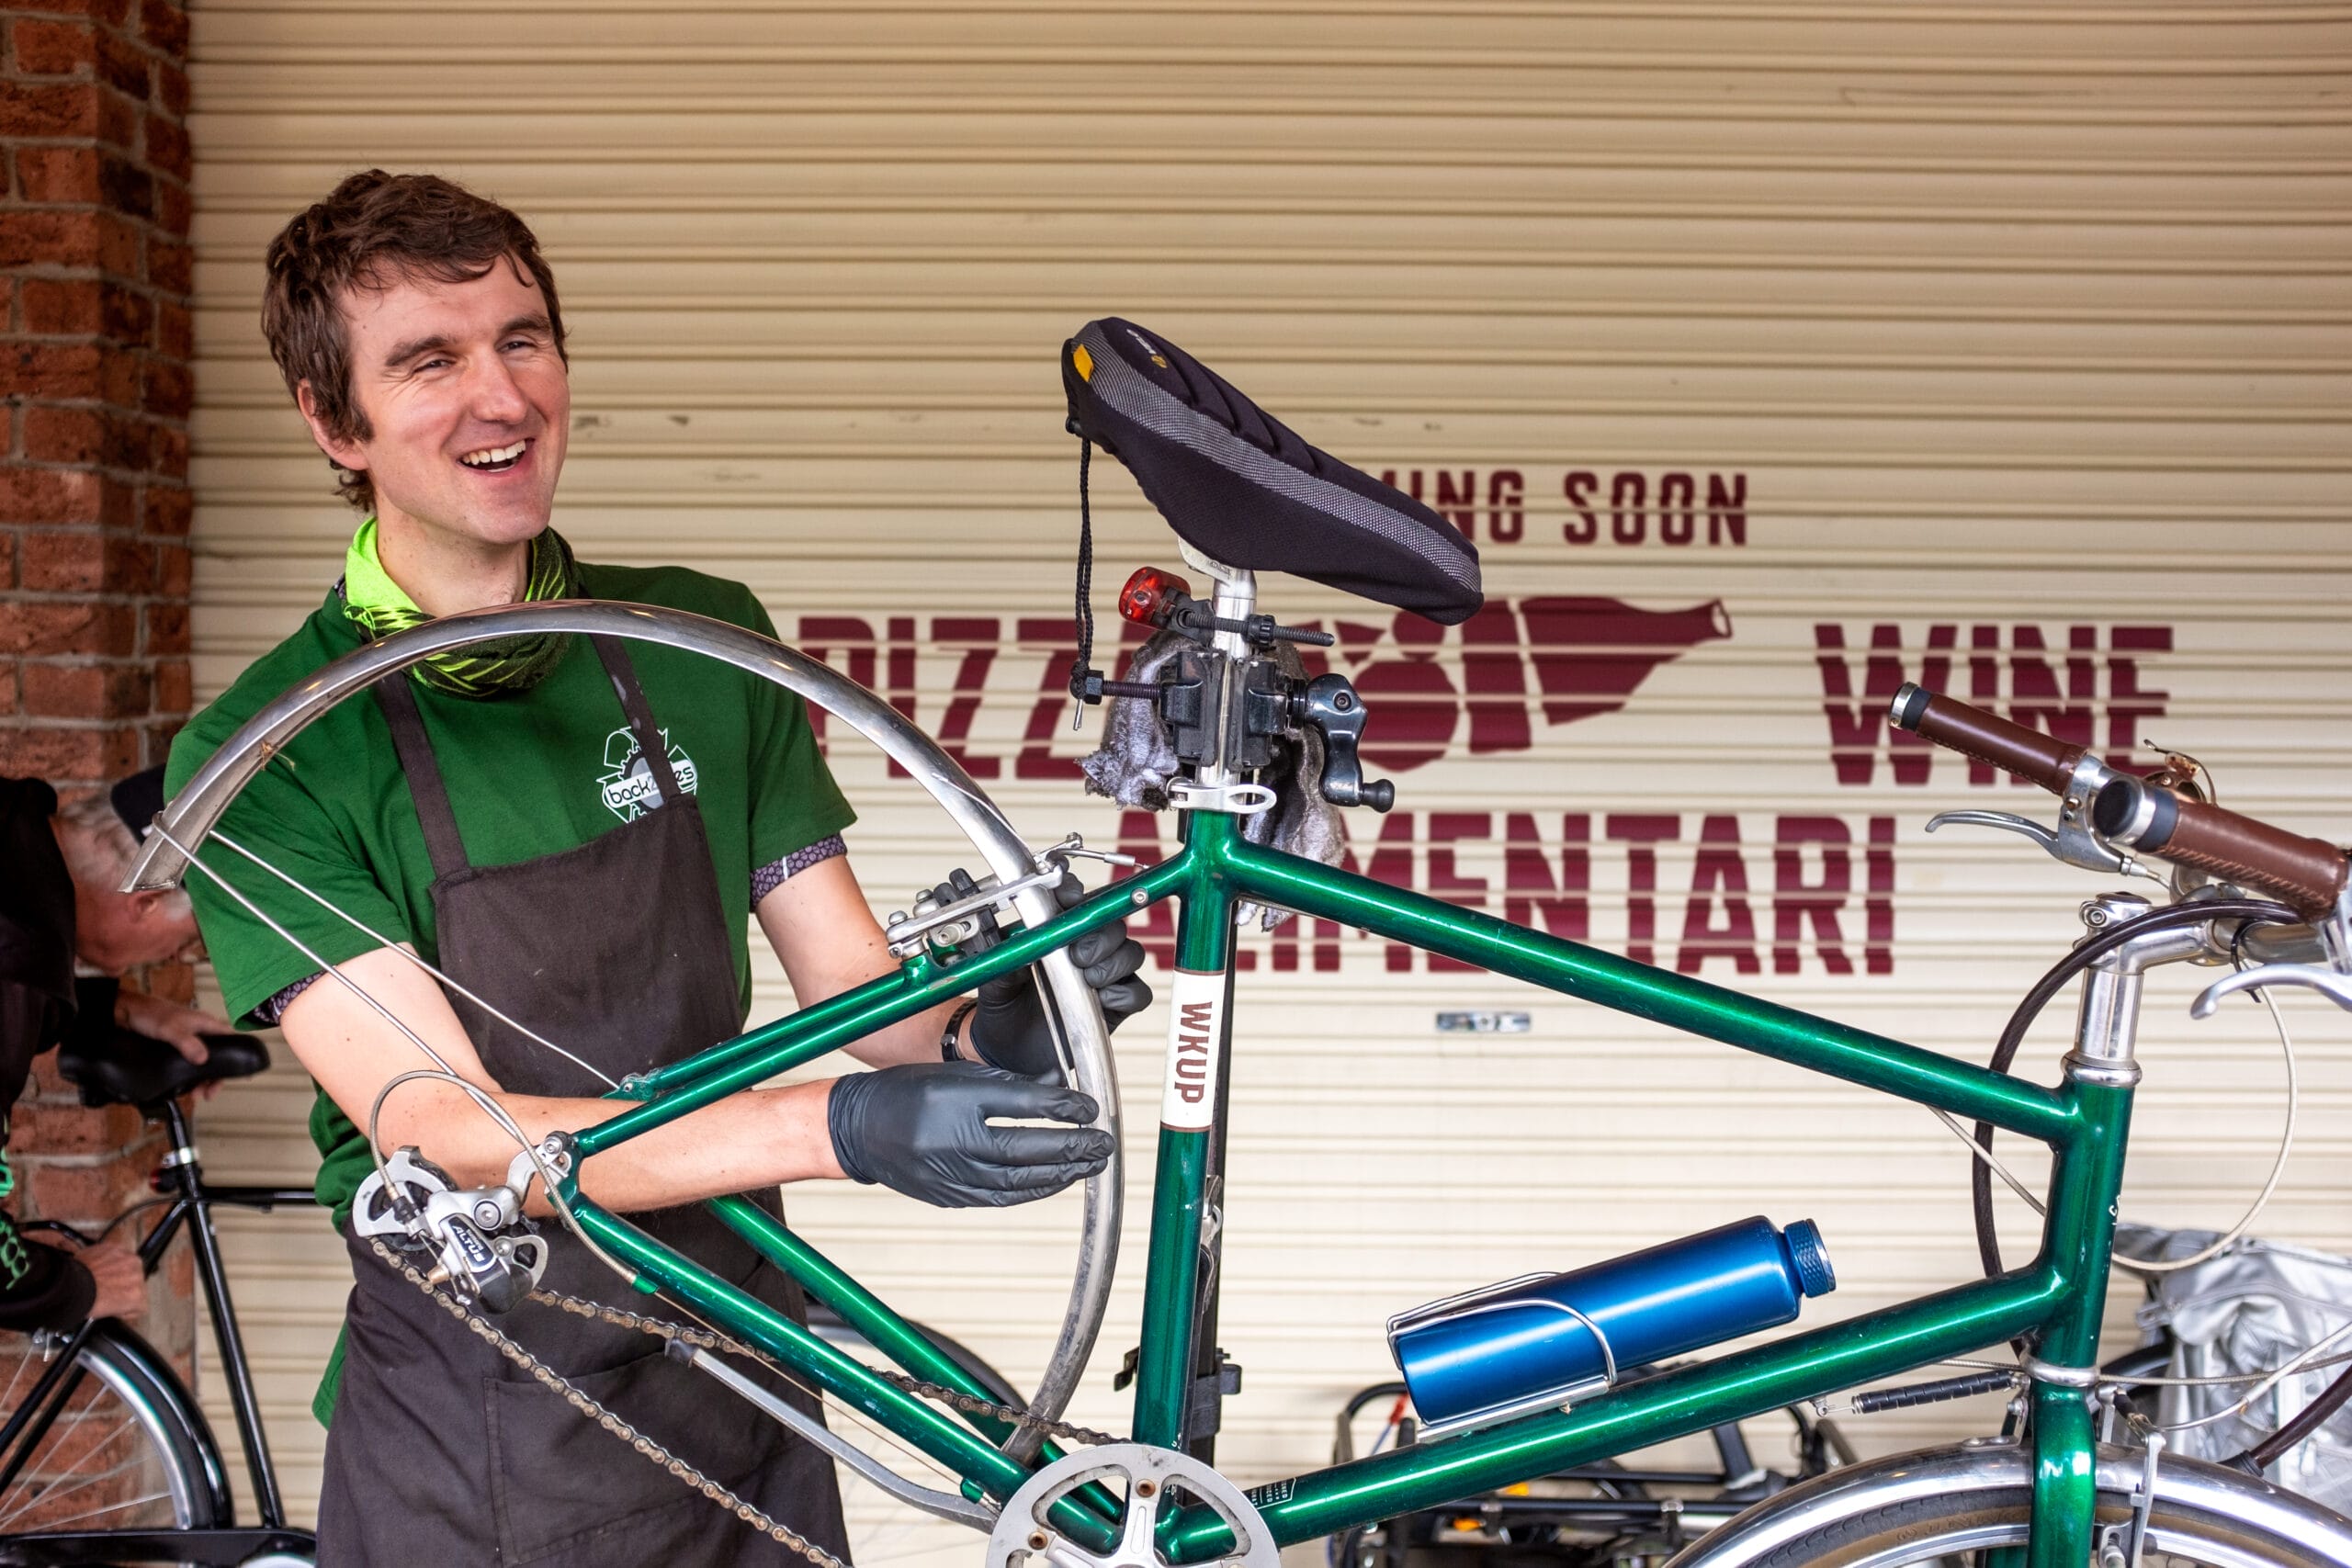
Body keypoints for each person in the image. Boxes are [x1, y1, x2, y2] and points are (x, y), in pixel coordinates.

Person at [165, 170, 1149, 1564]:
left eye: (522, 338)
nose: (499, 397)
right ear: (336, 422)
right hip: (487, 1392)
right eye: (428, 362)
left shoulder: (703, 643)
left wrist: (1000, 1015)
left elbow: (860, 992)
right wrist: (841, 1131)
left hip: (745, 1347)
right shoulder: (275, 748)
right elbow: (449, 1129)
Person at [0, 766, 232, 1329]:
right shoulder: (15, 969)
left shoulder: (14, 830)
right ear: (147, 900)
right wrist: (71, 1290)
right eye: (188, 943)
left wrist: (115, 1003)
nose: (177, 959)